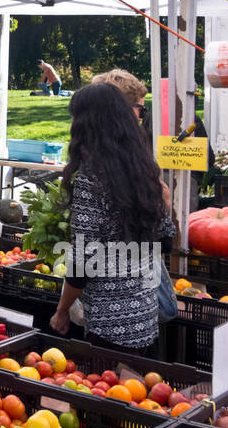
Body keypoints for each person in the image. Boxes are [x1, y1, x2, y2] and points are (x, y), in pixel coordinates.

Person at [50, 83, 174, 352]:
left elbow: (84, 261)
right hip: (146, 317)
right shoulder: (143, 170)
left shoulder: (90, 179)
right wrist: (166, 206)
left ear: (86, 123)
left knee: (111, 391)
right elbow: (165, 241)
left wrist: (62, 310)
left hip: (109, 327)